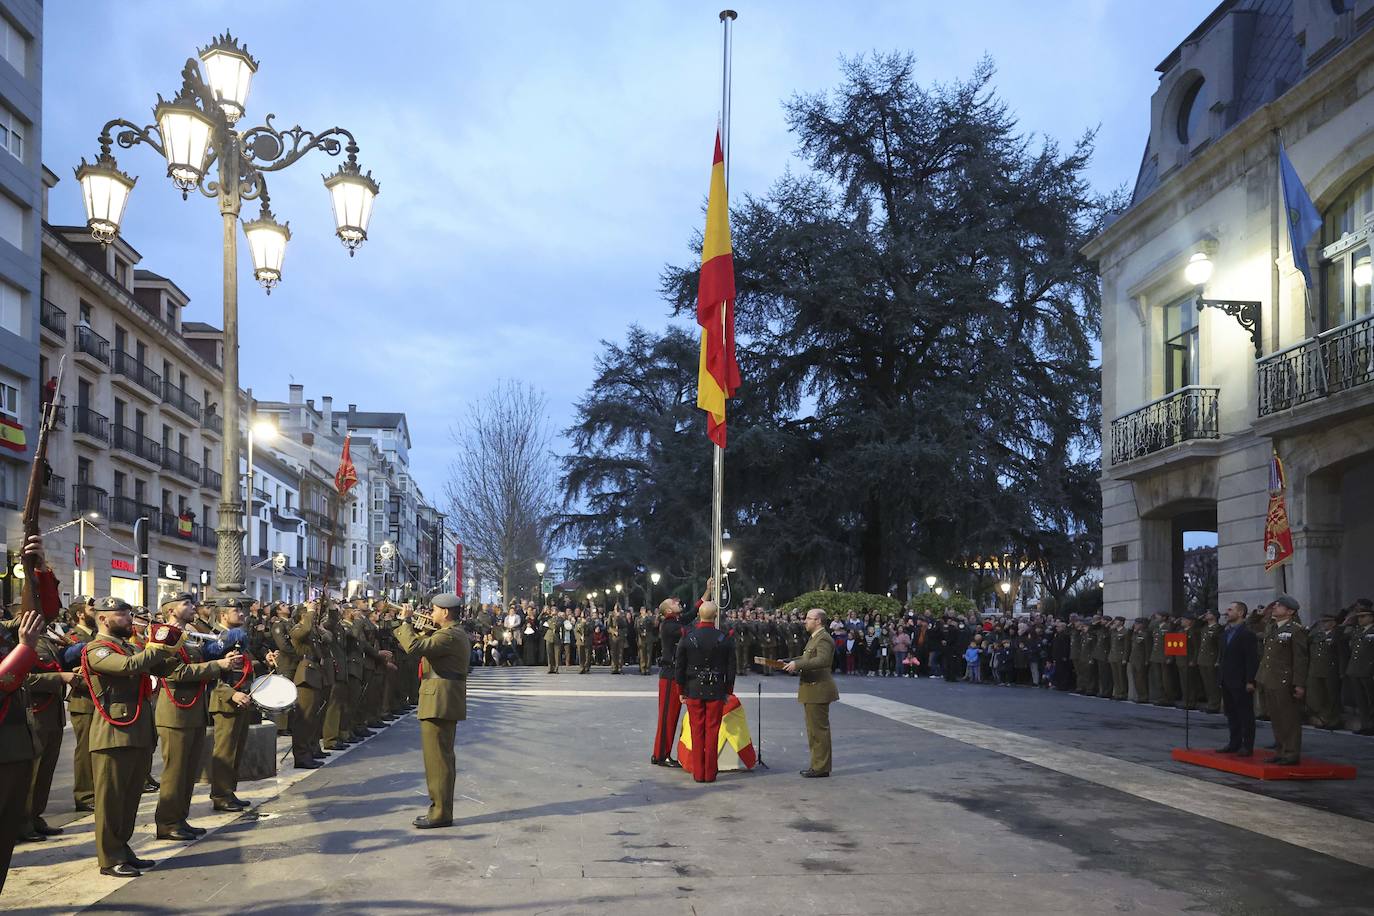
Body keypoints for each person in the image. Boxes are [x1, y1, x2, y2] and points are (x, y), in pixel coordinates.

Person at [82, 596, 182, 877]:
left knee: (129, 799)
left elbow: (160, 667)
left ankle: (123, 849)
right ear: (104, 618)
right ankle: (110, 857)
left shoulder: (128, 646)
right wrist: (156, 645)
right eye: (123, 615)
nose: (130, 619)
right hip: (113, 733)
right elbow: (127, 667)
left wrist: (170, 643)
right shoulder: (97, 649)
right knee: (111, 800)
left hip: (137, 729)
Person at [152, 593, 241, 840]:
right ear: (171, 611)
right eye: (186, 604)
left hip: (193, 709)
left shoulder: (188, 636)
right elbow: (175, 672)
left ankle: (180, 818)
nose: (193, 607)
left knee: (188, 770)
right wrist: (218, 666)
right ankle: (167, 822)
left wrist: (223, 663)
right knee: (175, 771)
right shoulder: (164, 636)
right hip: (175, 713)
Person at [396, 594, 469, 829]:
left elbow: (415, 648)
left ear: (445, 613)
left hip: (439, 700)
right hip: (443, 698)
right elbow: (427, 648)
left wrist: (406, 622)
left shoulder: (448, 634)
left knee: (437, 760)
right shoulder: (450, 633)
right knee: (441, 757)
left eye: (434, 610)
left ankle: (440, 813)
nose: (430, 613)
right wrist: (423, 630)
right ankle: (440, 809)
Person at [651, 581, 710, 767]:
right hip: (669, 676)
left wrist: (708, 590)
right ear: (668, 611)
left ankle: (661, 753)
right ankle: (661, 755)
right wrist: (708, 623)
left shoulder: (674, 621)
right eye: (673, 603)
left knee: (671, 717)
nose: (678, 603)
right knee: (667, 717)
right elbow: (691, 630)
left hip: (673, 675)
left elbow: (693, 613)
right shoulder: (669, 626)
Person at [675, 601, 735, 783]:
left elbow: (680, 667)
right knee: (712, 731)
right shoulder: (725, 638)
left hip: (693, 689)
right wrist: (728, 691)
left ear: (699, 615)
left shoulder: (688, 636)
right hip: (716, 689)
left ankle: (698, 773)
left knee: (696, 732)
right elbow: (731, 668)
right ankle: (710, 773)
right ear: (715, 616)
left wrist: (681, 690)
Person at [784, 608, 838, 778]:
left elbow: (823, 660)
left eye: (808, 618)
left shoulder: (824, 639)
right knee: (813, 730)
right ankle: (817, 764)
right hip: (812, 688)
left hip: (819, 688)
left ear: (818, 621)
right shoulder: (814, 638)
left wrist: (797, 666)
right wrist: (789, 662)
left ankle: (821, 767)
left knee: (818, 731)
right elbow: (806, 658)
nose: (805, 621)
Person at [1256, 595, 1308, 765]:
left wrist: (1299, 683)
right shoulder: (1272, 628)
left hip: (1285, 680)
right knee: (1276, 717)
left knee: (1289, 718)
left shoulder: (1296, 630)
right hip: (1270, 678)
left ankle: (1291, 753)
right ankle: (1280, 750)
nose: (1275, 608)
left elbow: (1300, 659)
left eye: (1279, 606)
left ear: (1290, 611)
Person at [1216, 600, 1259, 756]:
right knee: (1232, 714)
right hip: (1227, 680)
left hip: (1241, 680)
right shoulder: (1226, 633)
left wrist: (1250, 680)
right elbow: (1223, 658)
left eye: (1230, 609)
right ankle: (1234, 743)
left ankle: (1247, 745)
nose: (1227, 612)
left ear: (1240, 613)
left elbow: (1251, 659)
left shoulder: (1247, 634)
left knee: (1245, 714)